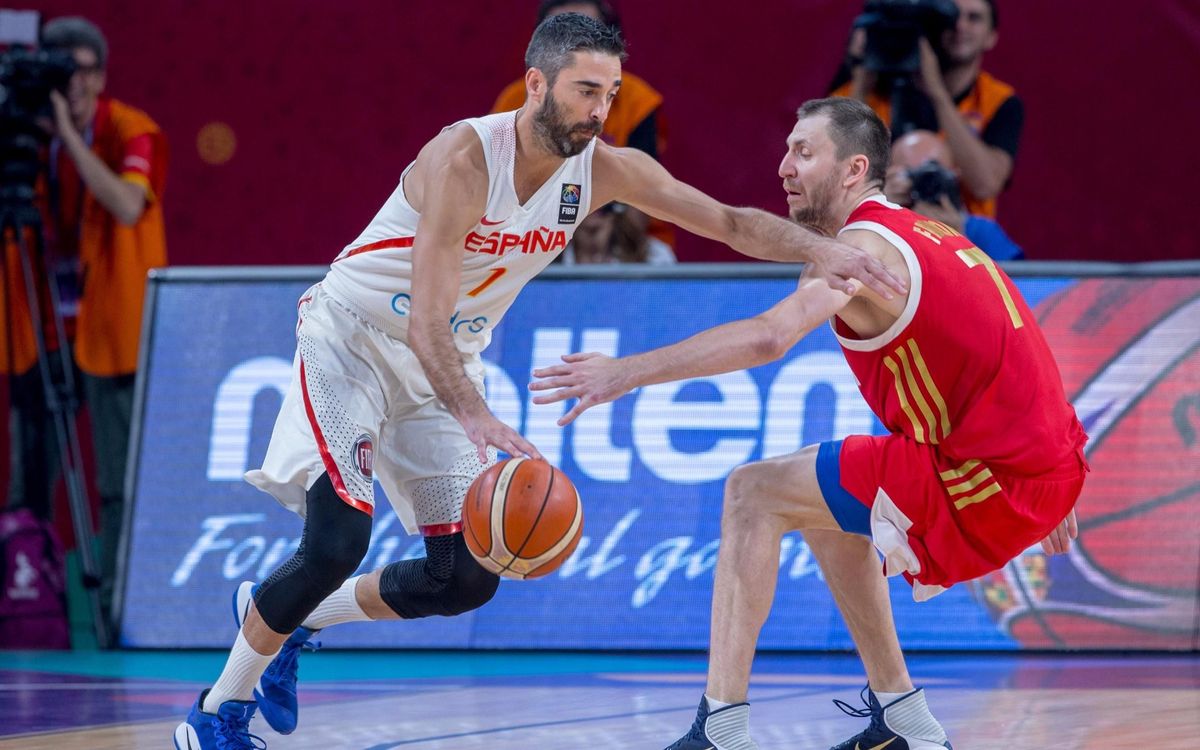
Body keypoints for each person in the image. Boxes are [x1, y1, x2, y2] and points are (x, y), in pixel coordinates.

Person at [173, 15, 905, 750]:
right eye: (586, 90)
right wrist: (476, 416)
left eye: (610, 94)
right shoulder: (465, 160)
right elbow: (425, 319)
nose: (600, 110)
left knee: (464, 578)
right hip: (355, 340)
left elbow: (729, 222)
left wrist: (822, 251)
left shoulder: (603, 169)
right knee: (337, 544)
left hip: (444, 362)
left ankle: (293, 618)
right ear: (536, 84)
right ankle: (215, 714)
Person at [529, 96, 1087, 750]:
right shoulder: (928, 233)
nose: (784, 166)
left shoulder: (861, 251)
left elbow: (770, 337)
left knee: (753, 493)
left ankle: (721, 729)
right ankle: (904, 719)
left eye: (804, 151)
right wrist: (1050, 471)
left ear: (853, 170)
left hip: (993, 475)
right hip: (1035, 463)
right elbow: (1013, 343)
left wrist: (624, 372)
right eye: (787, 150)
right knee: (821, 499)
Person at [0, 16, 167, 626]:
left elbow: (125, 204)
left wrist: (69, 138)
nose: (74, 86)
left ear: (100, 76)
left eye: (84, 73)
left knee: (116, 481)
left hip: (110, 329)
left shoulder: (131, 130)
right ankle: (28, 605)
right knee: (29, 478)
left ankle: (116, 611)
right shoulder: (23, 137)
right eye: (62, 74)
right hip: (40, 325)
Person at [492, 0, 677, 260]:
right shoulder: (512, 103)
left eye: (587, 35)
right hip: (533, 238)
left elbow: (643, 204)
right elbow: (500, 201)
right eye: (562, 37)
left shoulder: (637, 102)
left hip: (621, 238)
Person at [832, 0, 1022, 218]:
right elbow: (829, 173)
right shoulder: (864, 92)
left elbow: (986, 184)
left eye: (974, 18)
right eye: (952, 16)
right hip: (876, 229)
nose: (960, 26)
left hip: (960, 232)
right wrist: (862, 75)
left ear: (991, 36)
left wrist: (936, 90)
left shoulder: (998, 100)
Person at [886, 130, 1022, 260]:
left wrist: (959, 241)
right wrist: (880, 207)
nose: (925, 182)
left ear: (954, 175)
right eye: (913, 174)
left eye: (934, 171)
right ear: (888, 175)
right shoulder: (880, 226)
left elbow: (1021, 275)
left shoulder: (981, 231)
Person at [558, 201, 675, 264]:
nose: (594, 204)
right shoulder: (549, 256)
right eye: (586, 196)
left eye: (601, 195)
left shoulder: (654, 255)